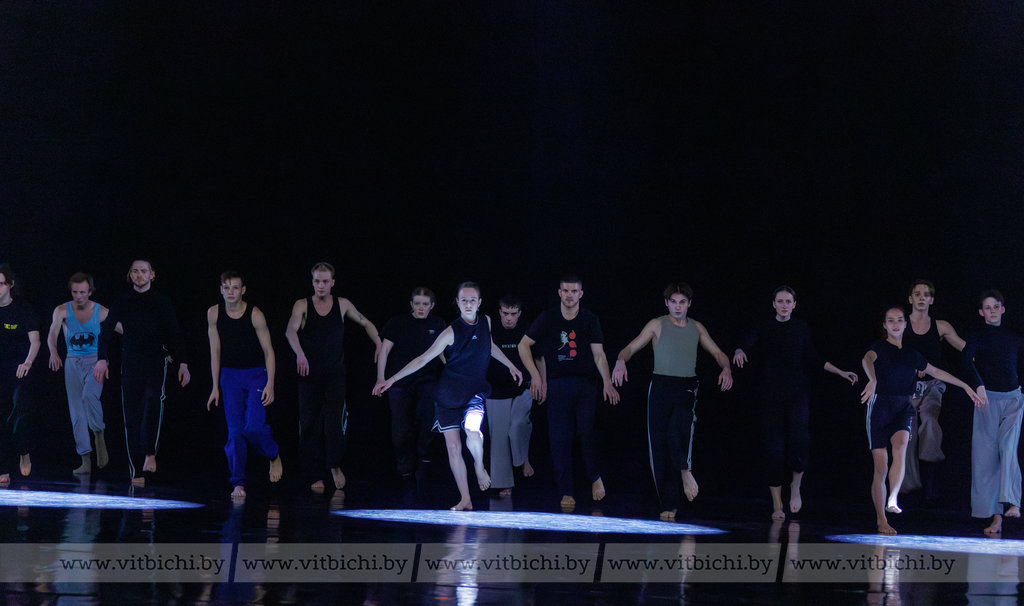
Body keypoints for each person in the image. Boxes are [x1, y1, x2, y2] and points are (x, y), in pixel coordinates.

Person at [373, 282, 522, 511]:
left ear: (479, 303)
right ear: (458, 303)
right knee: (453, 448)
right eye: (464, 300)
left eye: (472, 300)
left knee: (472, 429)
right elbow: (423, 359)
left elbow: (490, 346)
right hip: (449, 395)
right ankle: (465, 498)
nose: (468, 304)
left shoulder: (486, 321)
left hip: (474, 392)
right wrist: (391, 379)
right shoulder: (451, 331)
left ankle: (479, 465)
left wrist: (510, 365)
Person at [732, 286, 859, 520]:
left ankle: (796, 487)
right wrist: (740, 349)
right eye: (780, 301)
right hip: (770, 395)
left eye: (788, 301)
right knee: (773, 451)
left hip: (797, 394)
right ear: (774, 304)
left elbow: (813, 356)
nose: (784, 305)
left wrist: (840, 372)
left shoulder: (800, 327)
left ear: (794, 304)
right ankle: (777, 504)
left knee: (799, 443)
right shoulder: (765, 326)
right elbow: (748, 339)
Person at [612, 282, 733, 520]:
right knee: (659, 447)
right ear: (667, 303)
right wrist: (620, 361)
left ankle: (686, 472)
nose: (678, 307)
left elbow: (719, 353)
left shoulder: (696, 327)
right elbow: (630, 348)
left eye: (682, 302)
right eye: (674, 302)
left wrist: (726, 368)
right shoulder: (657, 324)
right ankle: (668, 503)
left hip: (686, 387)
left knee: (675, 432)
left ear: (689, 304)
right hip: (660, 387)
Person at [860, 305, 980, 535]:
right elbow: (867, 359)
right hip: (880, 408)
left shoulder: (911, 354)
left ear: (905, 324)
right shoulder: (879, 348)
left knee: (901, 449)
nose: (895, 324)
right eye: (890, 320)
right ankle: (881, 520)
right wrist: (873, 379)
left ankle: (893, 497)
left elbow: (937, 372)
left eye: (899, 320)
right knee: (881, 467)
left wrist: (965, 385)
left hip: (903, 408)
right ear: (885, 325)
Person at [518, 276, 620, 510]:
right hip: (557, 384)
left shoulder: (589, 319)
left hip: (584, 384)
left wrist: (607, 381)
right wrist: (535, 375)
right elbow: (524, 345)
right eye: (566, 291)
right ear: (559, 293)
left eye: (574, 291)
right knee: (559, 439)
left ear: (580, 294)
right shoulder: (548, 317)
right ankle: (566, 490)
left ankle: (595, 476)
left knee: (586, 433)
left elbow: (599, 355)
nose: (570, 295)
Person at [285, 262, 380, 493]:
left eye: (325, 281)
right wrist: (300, 354)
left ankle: (334, 464)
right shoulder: (302, 304)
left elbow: (365, 321)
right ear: (312, 282)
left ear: (332, 283)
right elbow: (290, 330)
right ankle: (314, 474)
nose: (321, 285)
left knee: (335, 424)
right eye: (317, 281)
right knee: (309, 425)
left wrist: (378, 342)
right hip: (309, 375)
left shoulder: (342, 304)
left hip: (334, 374)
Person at [94, 259, 190, 486]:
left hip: (155, 360)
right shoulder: (122, 301)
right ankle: (136, 469)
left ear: (152, 275)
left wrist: (183, 363)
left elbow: (174, 333)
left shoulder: (162, 302)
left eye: (143, 271)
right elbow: (106, 331)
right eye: (135, 271)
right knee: (132, 415)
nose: (139, 275)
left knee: (153, 400)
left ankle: (149, 452)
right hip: (130, 362)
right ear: (130, 275)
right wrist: (102, 359)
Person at [206, 271, 283, 500]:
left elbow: (269, 351)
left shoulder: (255, 314)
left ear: (243, 290)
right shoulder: (213, 313)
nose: (230, 292)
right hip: (230, 377)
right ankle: (238, 482)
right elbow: (215, 351)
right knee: (235, 432)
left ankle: (273, 454)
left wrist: (270, 383)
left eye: (235, 288)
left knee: (254, 428)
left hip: (256, 375)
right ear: (221, 289)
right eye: (226, 287)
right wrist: (214, 386)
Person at [962, 290, 1024, 536]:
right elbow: (966, 362)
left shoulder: (1014, 338)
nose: (992, 311)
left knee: (1008, 449)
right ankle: (996, 518)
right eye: (987, 307)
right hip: (986, 400)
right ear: (981, 312)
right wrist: (978, 385)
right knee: (986, 459)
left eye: (996, 306)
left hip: (1012, 399)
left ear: (1003, 309)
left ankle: (1014, 503)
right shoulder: (977, 336)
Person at [900, 280, 966, 499]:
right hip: (907, 387)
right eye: (917, 293)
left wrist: (987, 355)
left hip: (932, 386)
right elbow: (891, 353)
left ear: (932, 300)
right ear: (910, 298)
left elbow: (965, 347)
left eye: (926, 294)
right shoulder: (902, 325)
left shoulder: (941, 326)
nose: (921, 297)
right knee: (908, 433)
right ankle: (908, 487)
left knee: (929, 418)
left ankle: (929, 472)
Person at [376, 287, 447, 479]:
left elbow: (442, 353)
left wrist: (453, 374)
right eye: (417, 304)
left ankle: (424, 456)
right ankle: (405, 466)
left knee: (427, 417)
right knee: (401, 427)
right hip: (399, 382)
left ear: (432, 305)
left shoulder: (438, 324)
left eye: (425, 304)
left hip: (427, 380)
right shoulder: (398, 323)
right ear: (411, 304)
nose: (421, 308)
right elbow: (384, 351)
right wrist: (380, 378)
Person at [46, 272, 112, 475]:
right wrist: (54, 351)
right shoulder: (62, 310)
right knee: (76, 412)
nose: (79, 296)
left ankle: (99, 433)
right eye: (75, 292)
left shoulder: (101, 311)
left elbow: (124, 330)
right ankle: (85, 459)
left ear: (90, 291)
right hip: (73, 362)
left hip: (95, 362)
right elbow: (52, 333)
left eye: (82, 292)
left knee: (89, 396)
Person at [485, 294, 535, 497]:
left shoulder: (526, 328)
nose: (509, 318)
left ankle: (523, 459)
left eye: (513, 314)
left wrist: (541, 381)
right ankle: (505, 483)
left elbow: (539, 357)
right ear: (500, 312)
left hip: (522, 388)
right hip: (496, 389)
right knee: (498, 438)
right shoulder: (492, 329)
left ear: (519, 313)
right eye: (505, 313)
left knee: (517, 426)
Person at [0, 264, 40, 486]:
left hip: (19, 370)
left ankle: (24, 451)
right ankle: (3, 467)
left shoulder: (23, 309)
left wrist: (28, 362)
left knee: (18, 416)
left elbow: (35, 340)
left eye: (0, 283)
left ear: (10, 285)